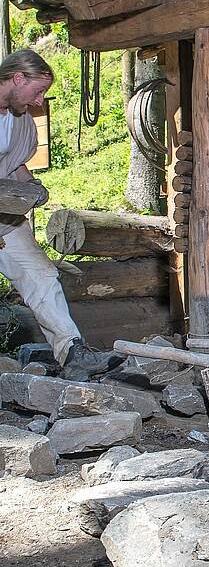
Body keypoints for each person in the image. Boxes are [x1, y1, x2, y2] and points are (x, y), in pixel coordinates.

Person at [0, 49, 116, 372]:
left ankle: (71, 353)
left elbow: (12, 164)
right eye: (37, 91)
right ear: (17, 78)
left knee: (41, 276)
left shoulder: (20, 121)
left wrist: (32, 184)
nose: (39, 101)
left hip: (5, 221)